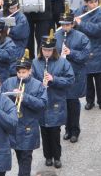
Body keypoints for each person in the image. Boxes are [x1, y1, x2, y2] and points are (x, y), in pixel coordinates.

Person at [1, 49, 46, 176]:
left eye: (24, 72)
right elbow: (1, 99)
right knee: (19, 152)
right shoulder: (9, 82)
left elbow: (42, 104)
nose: (21, 75)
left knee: (26, 153)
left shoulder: (38, 85)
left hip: (29, 124)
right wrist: (11, 97)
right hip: (14, 124)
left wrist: (24, 96)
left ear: (30, 71)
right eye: (19, 72)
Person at [31, 31, 74, 168]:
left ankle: (57, 157)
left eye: (49, 50)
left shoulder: (62, 62)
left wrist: (54, 79)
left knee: (55, 132)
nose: (47, 53)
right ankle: (47, 156)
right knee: (44, 131)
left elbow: (70, 80)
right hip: (41, 102)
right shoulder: (35, 63)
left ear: (53, 50)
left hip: (56, 100)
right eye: (44, 50)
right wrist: (39, 83)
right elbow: (31, 81)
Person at [55, 7, 90, 143]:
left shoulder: (81, 37)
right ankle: (67, 129)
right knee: (63, 104)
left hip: (75, 75)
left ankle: (75, 130)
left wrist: (71, 53)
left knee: (73, 104)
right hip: (61, 75)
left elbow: (85, 56)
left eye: (67, 24)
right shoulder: (57, 36)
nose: (64, 27)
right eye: (62, 24)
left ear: (72, 24)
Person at [74, 0, 101, 112]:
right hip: (85, 49)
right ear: (85, 3)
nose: (94, 4)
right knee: (88, 78)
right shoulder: (79, 12)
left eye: (95, 1)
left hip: (98, 49)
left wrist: (81, 24)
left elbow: (99, 30)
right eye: (91, 2)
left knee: (100, 79)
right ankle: (90, 101)